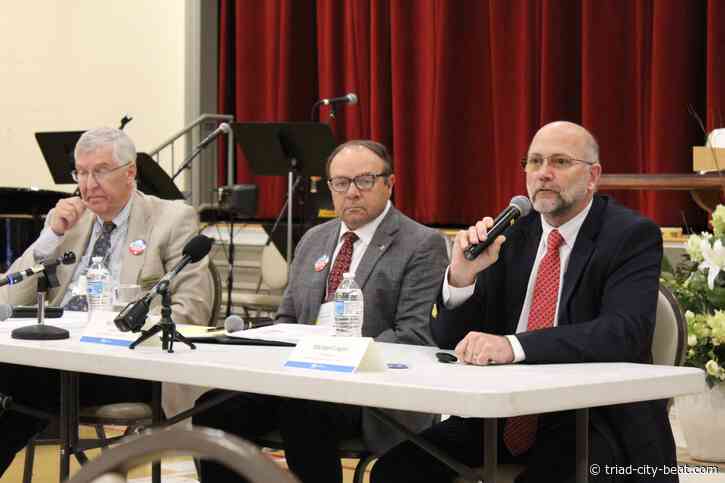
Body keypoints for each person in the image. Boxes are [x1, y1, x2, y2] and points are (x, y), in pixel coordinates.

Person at [371, 121, 676, 483]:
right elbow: (448, 339)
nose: (544, 174)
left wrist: (512, 346)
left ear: (592, 176)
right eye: (534, 161)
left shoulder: (630, 235)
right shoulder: (512, 232)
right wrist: (461, 278)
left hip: (592, 419)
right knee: (396, 471)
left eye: (560, 162)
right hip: (503, 414)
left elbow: (623, 332)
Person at [193, 140, 449, 483]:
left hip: (369, 392)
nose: (352, 192)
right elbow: (287, 320)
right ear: (330, 187)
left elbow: (413, 333)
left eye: (365, 180)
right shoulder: (314, 238)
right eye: (341, 183)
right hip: (301, 381)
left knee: (304, 411)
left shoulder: (421, 243)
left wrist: (339, 356)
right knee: (213, 410)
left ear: (390, 183)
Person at [0, 127, 213, 475]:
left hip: (124, 365)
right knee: (20, 393)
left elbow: (191, 310)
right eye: (80, 173)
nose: (88, 184)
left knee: (21, 392)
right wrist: (48, 238)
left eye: (99, 171)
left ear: (130, 172)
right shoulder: (72, 221)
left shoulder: (172, 219)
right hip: (57, 357)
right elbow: (8, 298)